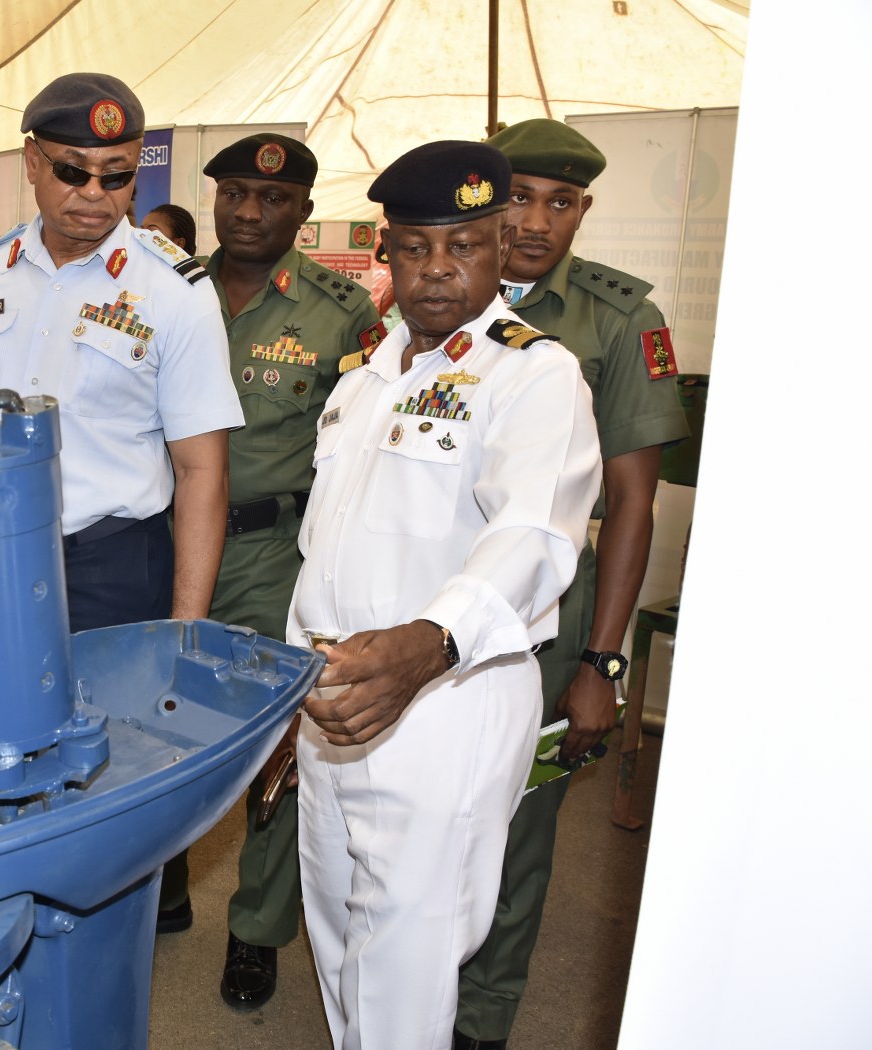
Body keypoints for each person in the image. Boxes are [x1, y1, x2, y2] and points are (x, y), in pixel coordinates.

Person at [290, 140, 601, 1048]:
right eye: (416, 247)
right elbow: (325, 552)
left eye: (462, 245)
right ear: (385, 251)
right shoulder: (364, 376)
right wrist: (291, 694)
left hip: (446, 699)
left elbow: (533, 537)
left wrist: (426, 645)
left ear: (501, 244)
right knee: (339, 929)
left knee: (408, 952)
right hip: (334, 701)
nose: (437, 270)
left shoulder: (533, 374)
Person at [452, 118, 690, 1050]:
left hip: (548, 614)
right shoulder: (434, 292)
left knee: (520, 817)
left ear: (584, 212)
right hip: (432, 592)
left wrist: (603, 658)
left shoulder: (619, 318)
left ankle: (484, 1015)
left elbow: (633, 504)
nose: (535, 221)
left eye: (561, 202)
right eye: (516, 195)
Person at [0, 72, 241, 663]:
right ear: (31, 160)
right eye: (72, 171)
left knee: (116, 744)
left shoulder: (175, 291)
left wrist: (186, 633)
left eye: (118, 175)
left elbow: (203, 474)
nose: (95, 192)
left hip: (111, 569)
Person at [162, 133, 383, 1007]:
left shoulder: (341, 314)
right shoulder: (164, 294)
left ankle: (255, 928)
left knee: (273, 740)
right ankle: (162, 884)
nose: (249, 214)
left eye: (274, 200)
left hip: (270, 555)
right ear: (212, 199)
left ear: (302, 210)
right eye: (233, 197)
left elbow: (362, 453)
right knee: (158, 720)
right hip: (167, 540)